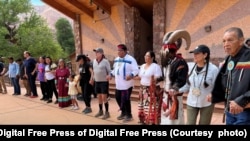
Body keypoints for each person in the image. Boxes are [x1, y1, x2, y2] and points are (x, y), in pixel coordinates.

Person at [211, 27, 250, 125]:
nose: (226, 44)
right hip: (230, 110)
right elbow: (226, 82)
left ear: (241, 41)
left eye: (230, 40)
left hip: (245, 111)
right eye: (224, 41)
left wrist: (242, 101)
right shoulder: (229, 59)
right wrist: (215, 94)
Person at [177, 45, 218, 125]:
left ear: (205, 55)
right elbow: (188, 85)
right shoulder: (191, 67)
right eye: (194, 53)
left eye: (197, 53)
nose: (194, 55)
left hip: (206, 103)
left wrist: (213, 94)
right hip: (191, 101)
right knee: (190, 123)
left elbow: (218, 86)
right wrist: (178, 90)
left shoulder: (213, 69)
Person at [160, 29, 190, 125]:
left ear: (171, 51)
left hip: (174, 95)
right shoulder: (167, 62)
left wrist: (174, 88)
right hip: (166, 94)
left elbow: (181, 79)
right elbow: (166, 77)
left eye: (167, 51)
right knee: (166, 119)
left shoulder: (180, 62)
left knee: (175, 119)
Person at [108, 44, 139, 122]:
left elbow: (136, 70)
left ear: (125, 51)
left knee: (126, 99)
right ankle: (123, 112)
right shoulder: (117, 59)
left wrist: (131, 75)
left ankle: (129, 115)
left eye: (120, 51)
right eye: (118, 50)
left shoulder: (131, 59)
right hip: (118, 83)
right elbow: (115, 69)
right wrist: (111, 74)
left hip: (127, 84)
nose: (118, 52)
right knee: (117, 97)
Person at [135, 51, 162, 125]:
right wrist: (132, 77)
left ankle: (151, 121)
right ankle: (143, 120)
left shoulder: (155, 66)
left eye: (147, 56)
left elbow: (159, 77)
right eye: (145, 56)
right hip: (142, 89)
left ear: (152, 58)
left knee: (151, 106)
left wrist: (154, 79)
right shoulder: (143, 66)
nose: (145, 57)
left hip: (151, 89)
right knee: (142, 105)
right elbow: (140, 76)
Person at [92, 48, 111, 119]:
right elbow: (93, 71)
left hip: (104, 82)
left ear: (101, 53)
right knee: (99, 97)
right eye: (95, 52)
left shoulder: (105, 61)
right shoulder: (94, 61)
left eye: (97, 52)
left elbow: (109, 71)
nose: (96, 54)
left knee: (104, 97)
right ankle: (100, 111)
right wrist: (92, 78)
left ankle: (107, 112)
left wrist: (109, 75)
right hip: (97, 81)